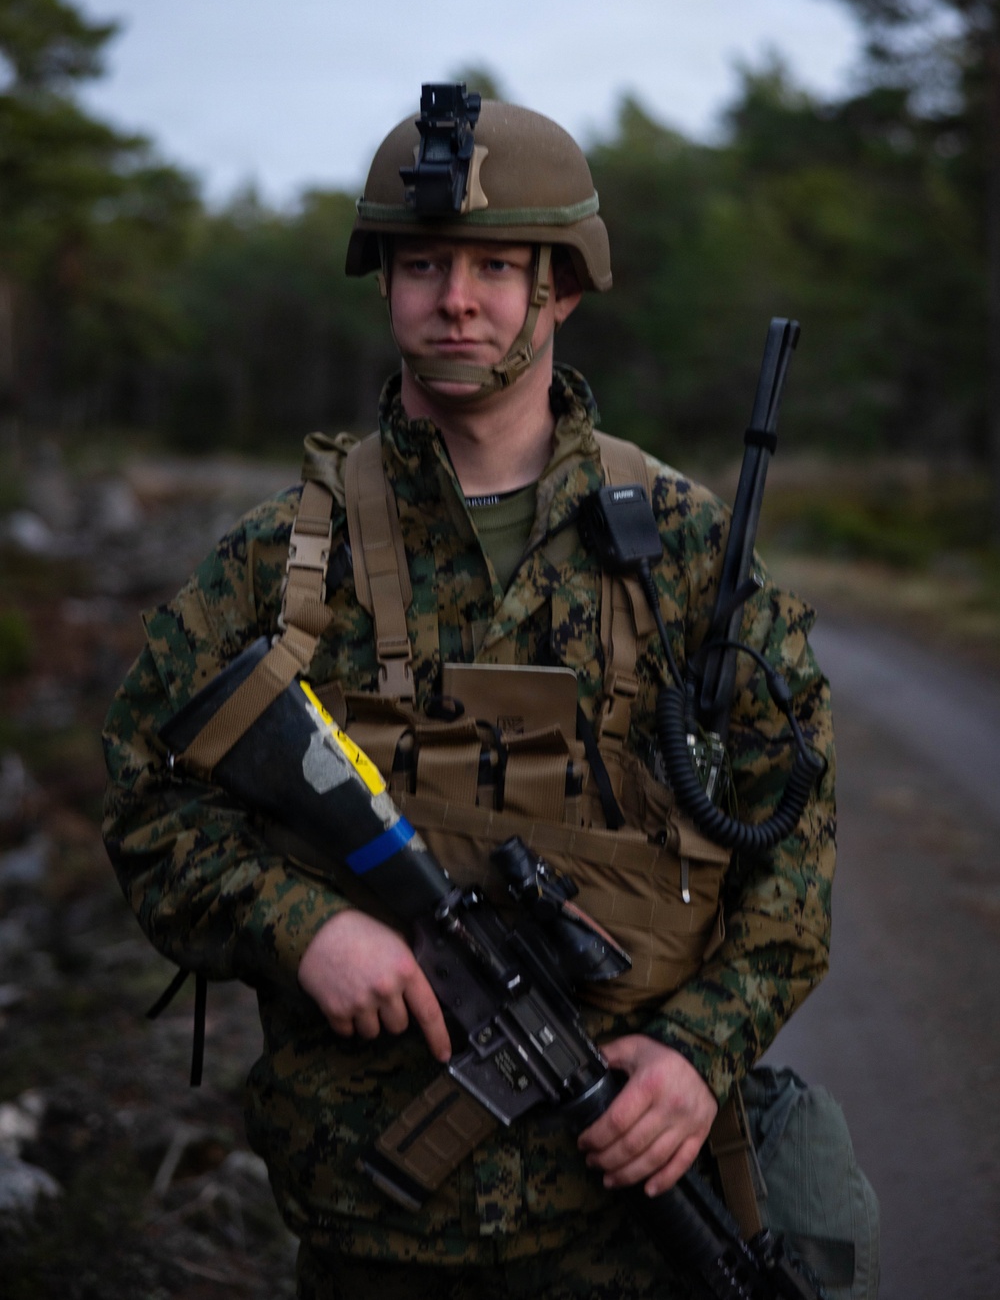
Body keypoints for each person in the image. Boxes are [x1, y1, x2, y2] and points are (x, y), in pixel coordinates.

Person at [102, 87, 848, 1299]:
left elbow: (793, 847)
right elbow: (146, 800)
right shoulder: (280, 556)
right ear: (385, 285)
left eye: (497, 266)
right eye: (423, 264)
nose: (455, 298)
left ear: (561, 290)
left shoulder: (684, 548)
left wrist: (697, 1049)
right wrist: (303, 925)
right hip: (371, 1222)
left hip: (630, 1214)